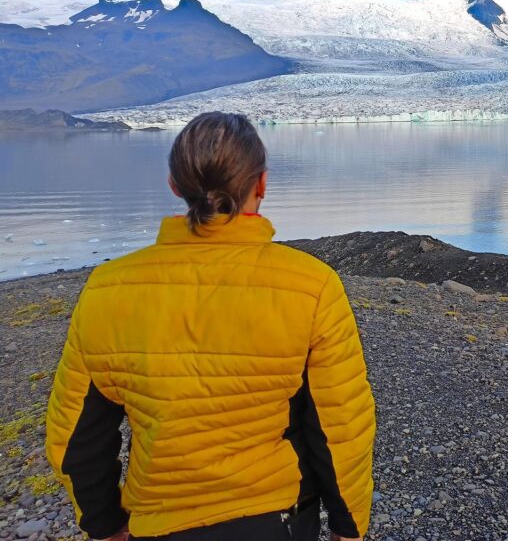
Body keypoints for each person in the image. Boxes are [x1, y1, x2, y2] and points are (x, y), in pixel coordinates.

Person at [45, 111, 375, 541]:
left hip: (160, 521)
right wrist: (349, 527)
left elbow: (75, 434)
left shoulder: (107, 289)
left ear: (175, 186)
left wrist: (105, 525)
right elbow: (341, 425)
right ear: (261, 184)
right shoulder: (311, 285)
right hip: (276, 519)